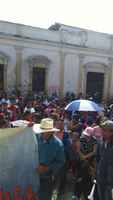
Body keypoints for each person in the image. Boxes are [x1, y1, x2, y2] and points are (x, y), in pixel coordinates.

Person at [33, 118, 65, 200]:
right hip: (32, 175)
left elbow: (61, 162)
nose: (45, 134)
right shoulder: (34, 138)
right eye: (43, 131)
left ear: (52, 131)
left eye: (47, 131)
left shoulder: (58, 144)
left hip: (46, 177)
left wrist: (47, 168)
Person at [96, 120, 113, 200]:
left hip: (110, 181)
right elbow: (98, 158)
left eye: (104, 130)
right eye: (102, 129)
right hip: (100, 177)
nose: (102, 132)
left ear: (111, 132)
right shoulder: (100, 142)